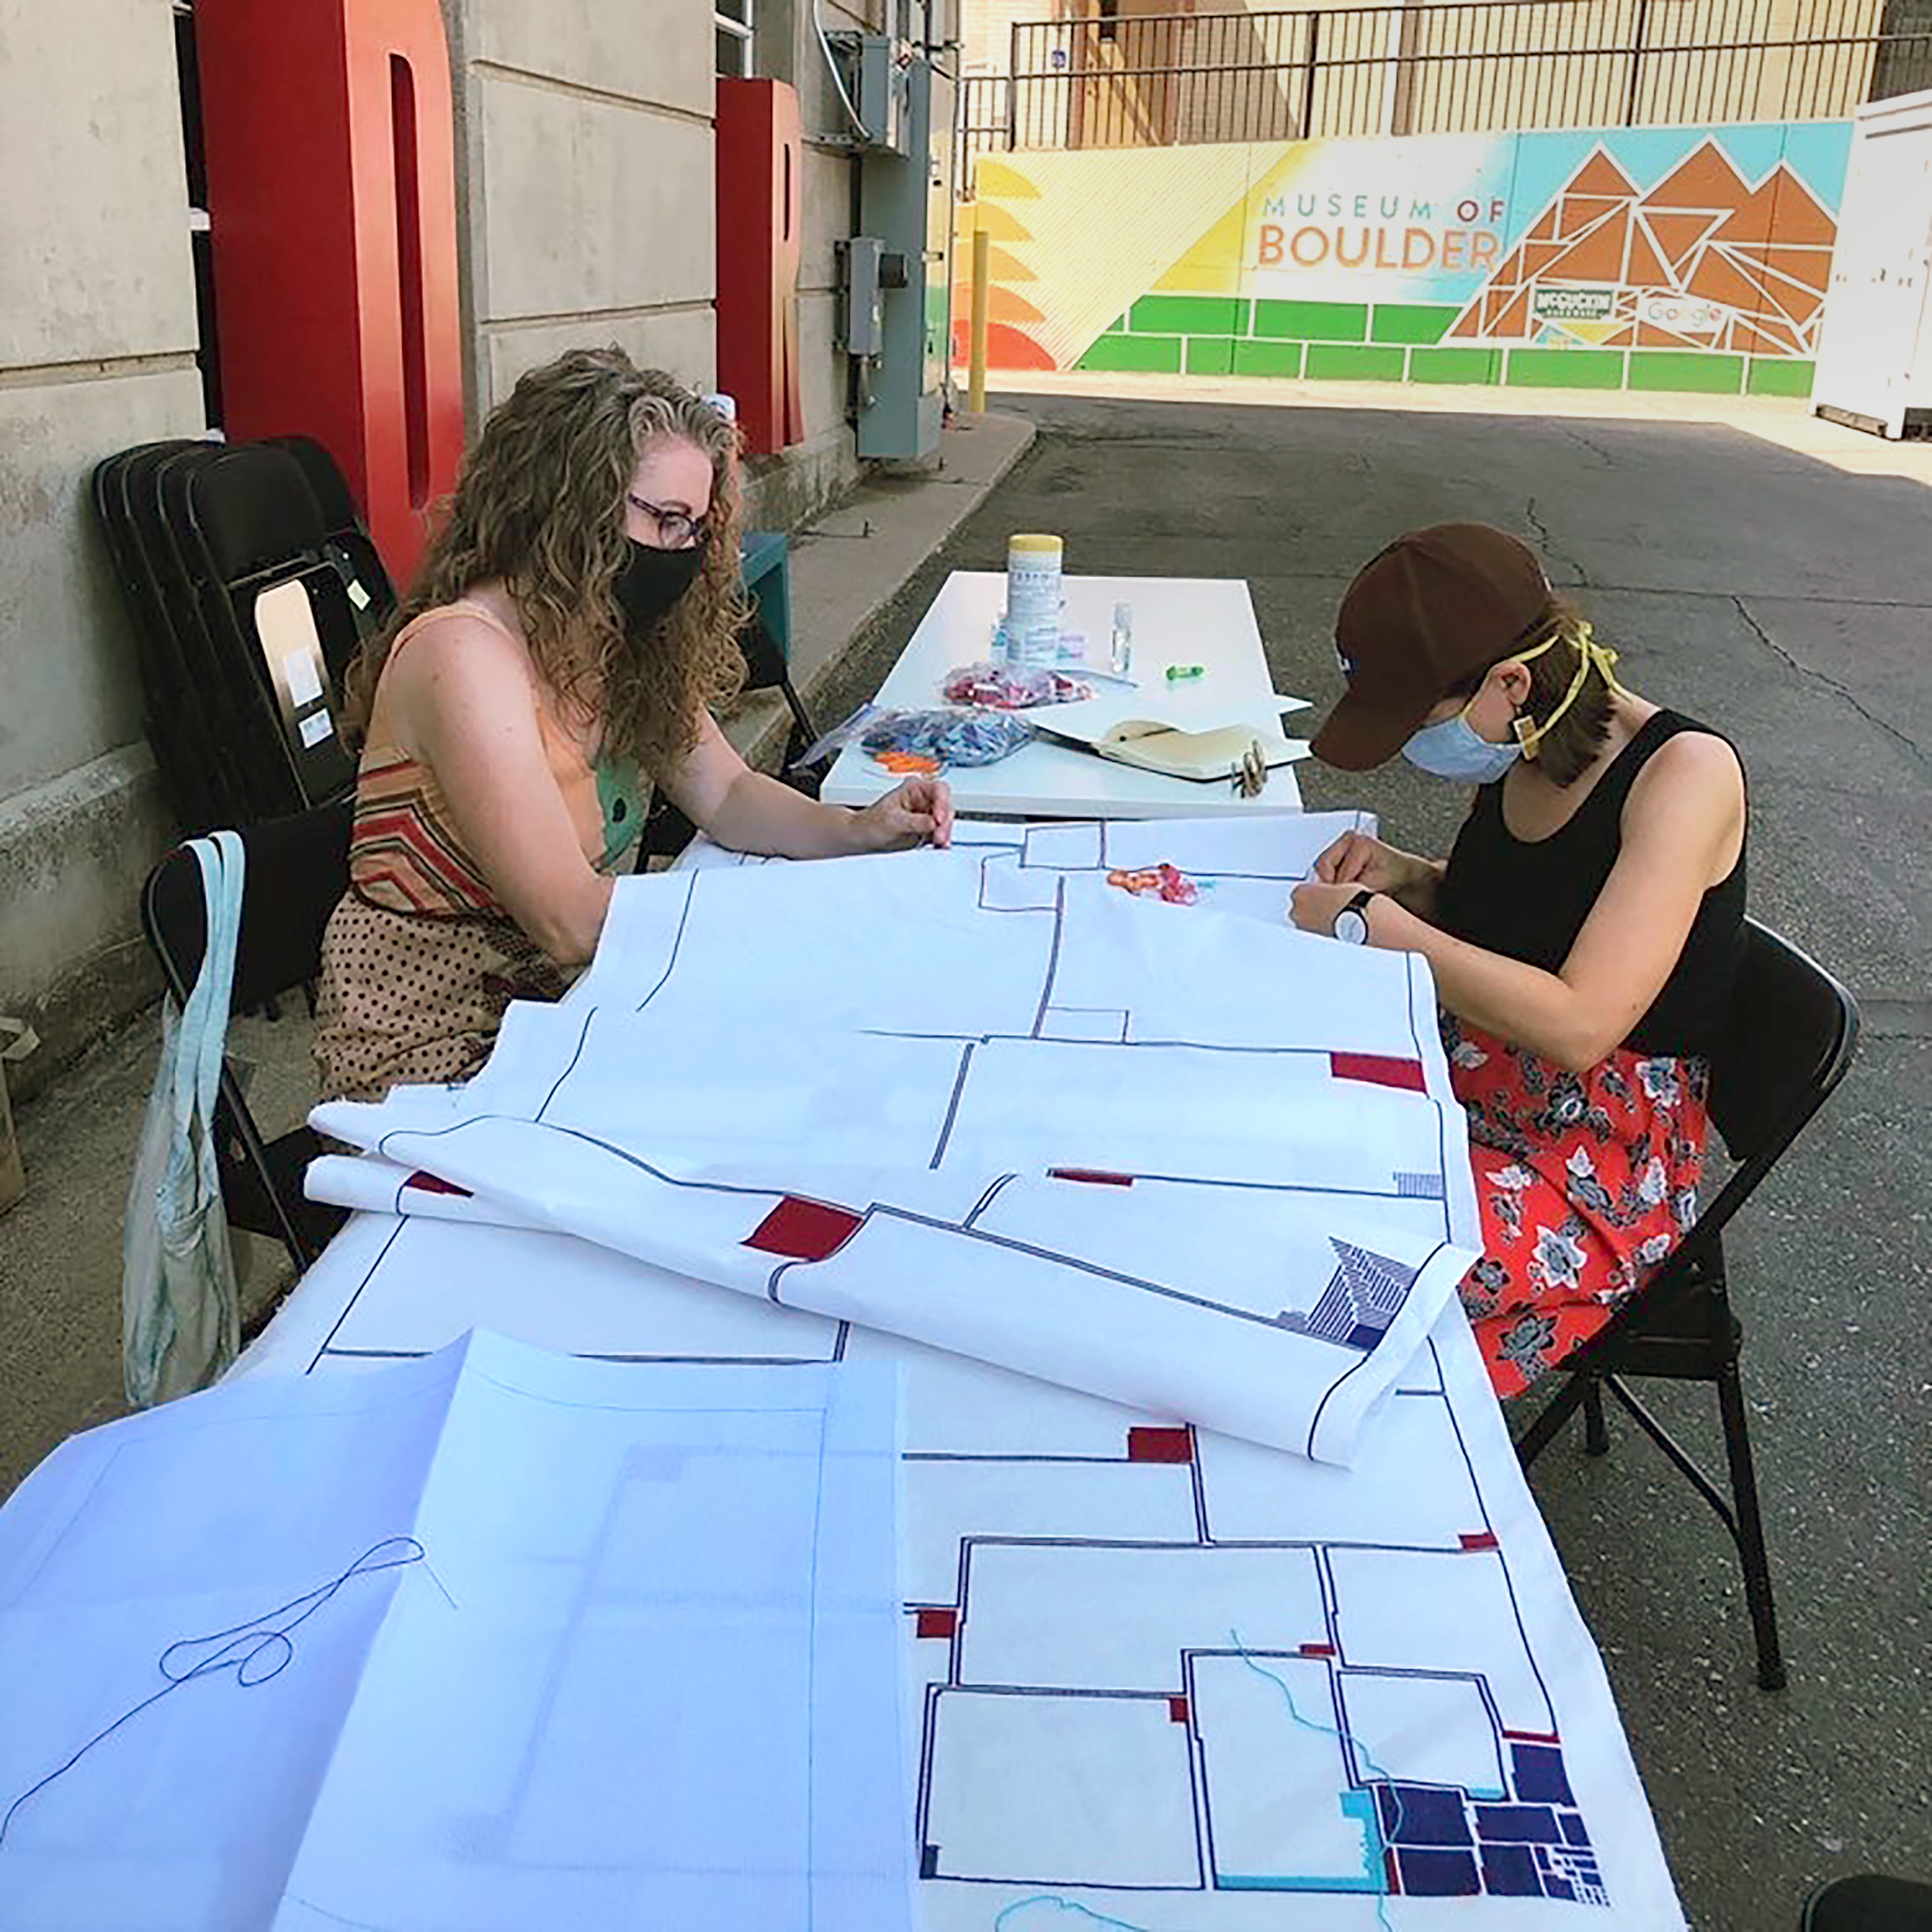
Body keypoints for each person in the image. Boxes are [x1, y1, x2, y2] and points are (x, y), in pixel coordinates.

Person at [314, 348, 951, 1105]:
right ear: (566, 503)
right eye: (666, 520)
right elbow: (568, 922)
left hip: (561, 1017)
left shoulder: (609, 636)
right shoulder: (464, 653)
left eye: (696, 529)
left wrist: (855, 831)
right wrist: (792, 917)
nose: (683, 552)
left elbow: (729, 795)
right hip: (430, 1062)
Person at [1290, 524, 1747, 1398]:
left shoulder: (1685, 775)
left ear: (1511, 681)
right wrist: (1413, 881)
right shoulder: (1521, 740)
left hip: (1593, 1168)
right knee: (1253, 1167)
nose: (1418, 749)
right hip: (1469, 1085)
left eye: (1420, 720)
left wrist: (1376, 928)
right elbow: (1534, 905)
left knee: (1333, 1290)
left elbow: (1579, 1023)